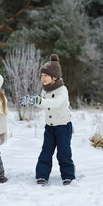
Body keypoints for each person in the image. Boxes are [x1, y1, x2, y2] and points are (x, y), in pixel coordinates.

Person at [20, 54, 75, 186]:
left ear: (54, 77)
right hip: (49, 127)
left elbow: (55, 102)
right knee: (46, 151)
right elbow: (43, 102)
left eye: (45, 75)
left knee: (63, 152)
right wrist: (33, 101)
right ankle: (42, 176)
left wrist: (40, 101)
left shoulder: (62, 90)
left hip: (63, 126)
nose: (42, 78)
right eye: (42, 75)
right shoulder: (45, 90)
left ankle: (68, 176)